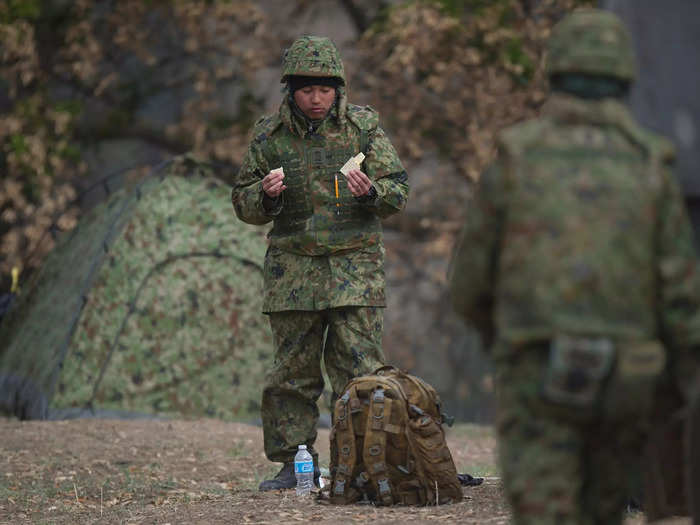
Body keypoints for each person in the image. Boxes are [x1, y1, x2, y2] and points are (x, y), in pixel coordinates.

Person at [448, 8, 700, 524]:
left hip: (536, 371)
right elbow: (680, 295)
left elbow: (469, 284)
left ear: (554, 71)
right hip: (626, 378)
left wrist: (507, 341)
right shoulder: (652, 165)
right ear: (624, 75)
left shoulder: (516, 160)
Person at [231, 35, 408, 491]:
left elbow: (398, 191)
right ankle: (294, 463)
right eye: (307, 90)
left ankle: (366, 464)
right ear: (291, 90)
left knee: (361, 371)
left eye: (325, 90)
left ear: (339, 89)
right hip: (293, 270)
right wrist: (264, 197)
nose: (316, 99)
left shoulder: (363, 130)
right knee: (292, 372)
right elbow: (242, 202)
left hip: (355, 270)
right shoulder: (269, 137)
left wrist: (371, 192)